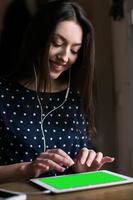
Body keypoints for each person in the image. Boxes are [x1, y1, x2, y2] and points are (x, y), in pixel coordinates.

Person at [0, 0, 114, 183]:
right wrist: (26, 169)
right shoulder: (4, 95)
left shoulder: (74, 99)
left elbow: (76, 173)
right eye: (57, 43)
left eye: (74, 50)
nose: (65, 57)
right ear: (38, 38)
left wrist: (82, 171)